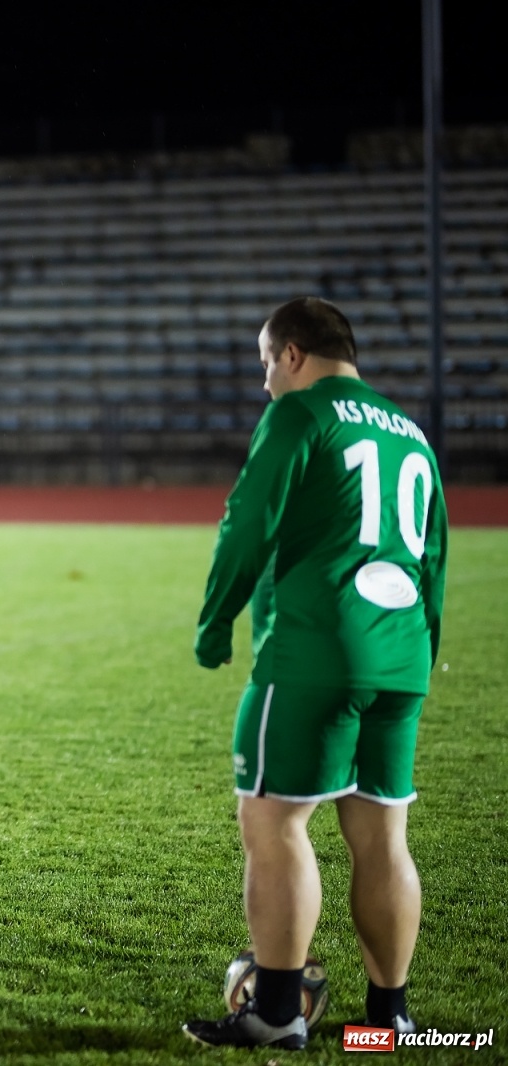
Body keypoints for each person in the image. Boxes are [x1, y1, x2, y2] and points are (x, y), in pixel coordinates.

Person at [183, 297, 447, 1050]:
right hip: (400, 658)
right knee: (383, 836)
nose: (266, 383)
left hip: (314, 654)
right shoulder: (412, 435)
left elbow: (246, 520)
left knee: (273, 822)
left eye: (267, 363)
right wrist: (420, 652)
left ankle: (274, 1011)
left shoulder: (300, 416)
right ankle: (390, 1017)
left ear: (293, 353)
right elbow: (433, 557)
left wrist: (213, 624)